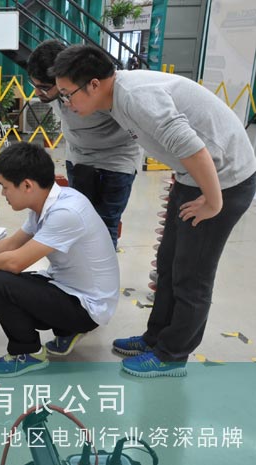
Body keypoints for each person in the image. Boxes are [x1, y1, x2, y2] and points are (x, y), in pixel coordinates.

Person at [50, 44, 256, 377]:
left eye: (66, 94)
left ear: (93, 84)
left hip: (224, 180)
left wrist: (213, 202)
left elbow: (196, 150)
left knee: (192, 274)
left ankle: (172, 355)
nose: (66, 103)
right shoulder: (115, 97)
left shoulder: (136, 98)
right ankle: (156, 337)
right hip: (194, 178)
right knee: (168, 262)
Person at [0, 142, 119, 377]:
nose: (3, 194)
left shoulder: (66, 212)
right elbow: (12, 243)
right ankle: (66, 329)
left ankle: (28, 352)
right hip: (67, 287)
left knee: (2, 282)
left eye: (5, 187)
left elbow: (15, 262)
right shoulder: (44, 203)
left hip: (88, 305)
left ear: (27, 185)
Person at [26, 39, 143, 249]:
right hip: (78, 158)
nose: (37, 92)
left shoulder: (99, 91)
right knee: (78, 221)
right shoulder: (56, 93)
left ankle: (103, 270)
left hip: (116, 161)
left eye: (43, 87)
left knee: (105, 225)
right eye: (34, 85)